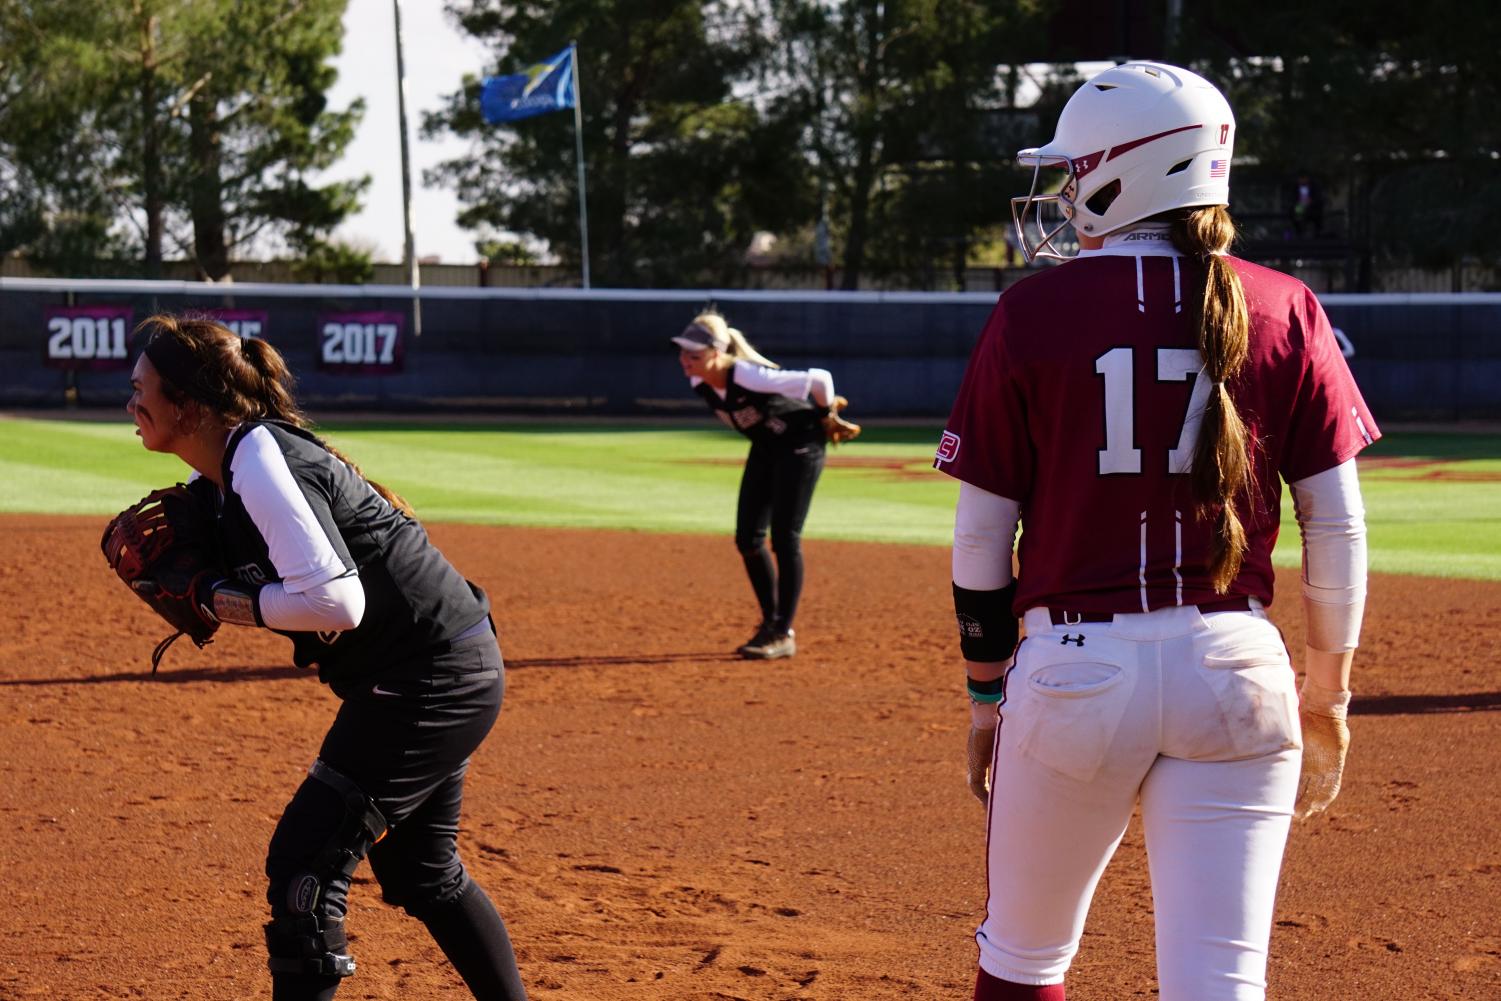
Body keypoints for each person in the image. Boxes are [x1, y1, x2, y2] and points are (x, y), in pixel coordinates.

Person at [936, 62, 1377, 1001]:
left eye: (1073, 166)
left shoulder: (1029, 312)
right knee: (1218, 983)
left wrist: (984, 696)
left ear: (1127, 168)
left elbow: (980, 543)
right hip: (1238, 667)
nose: (1061, 188)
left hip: (1075, 672)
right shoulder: (1285, 304)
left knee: (1023, 962)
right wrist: (1328, 691)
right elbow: (1335, 525)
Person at [123, 314, 527, 1001]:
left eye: (141, 389)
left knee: (304, 866)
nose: (129, 402)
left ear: (187, 406)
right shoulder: (225, 478)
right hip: (439, 666)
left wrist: (220, 598)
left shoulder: (257, 458)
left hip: (429, 678)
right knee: (421, 871)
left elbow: (338, 603)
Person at [673, 311, 858, 660]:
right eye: (682, 352)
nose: (685, 360)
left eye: (693, 354)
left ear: (716, 353)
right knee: (747, 539)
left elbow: (819, 380)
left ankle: (782, 631)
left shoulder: (745, 375)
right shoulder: (700, 382)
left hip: (801, 446)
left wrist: (825, 416)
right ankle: (771, 623)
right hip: (768, 448)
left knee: (784, 538)